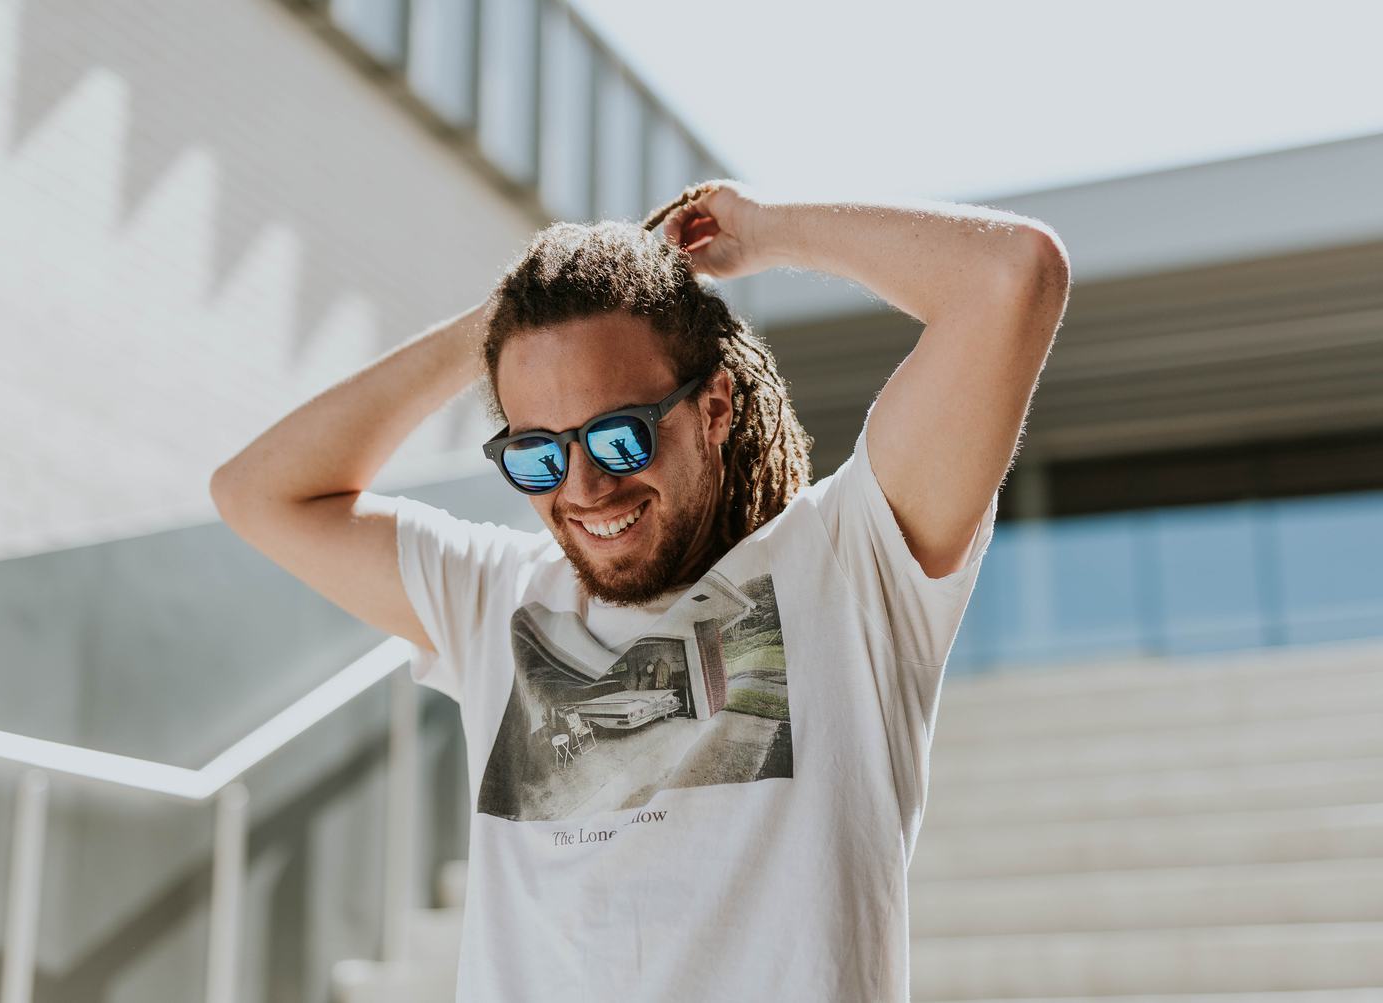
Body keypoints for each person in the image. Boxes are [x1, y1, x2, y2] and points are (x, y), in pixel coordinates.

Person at [210, 179, 1069, 1001]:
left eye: (620, 437)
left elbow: (1013, 277)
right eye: (538, 453)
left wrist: (767, 230)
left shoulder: (851, 566)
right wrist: (494, 326)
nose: (583, 488)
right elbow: (255, 492)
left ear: (716, 407)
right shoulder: (494, 599)